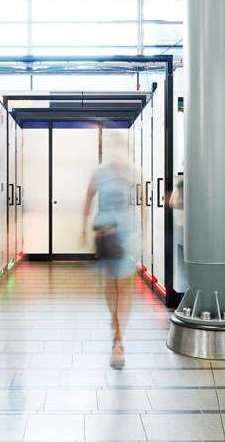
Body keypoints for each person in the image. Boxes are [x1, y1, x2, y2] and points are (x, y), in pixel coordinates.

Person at [82, 158, 136, 368]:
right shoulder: (100, 173)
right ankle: (115, 321)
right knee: (110, 284)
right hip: (106, 234)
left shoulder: (131, 172)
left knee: (124, 286)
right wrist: (83, 227)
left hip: (128, 236)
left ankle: (118, 341)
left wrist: (145, 231)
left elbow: (141, 202)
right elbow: (88, 197)